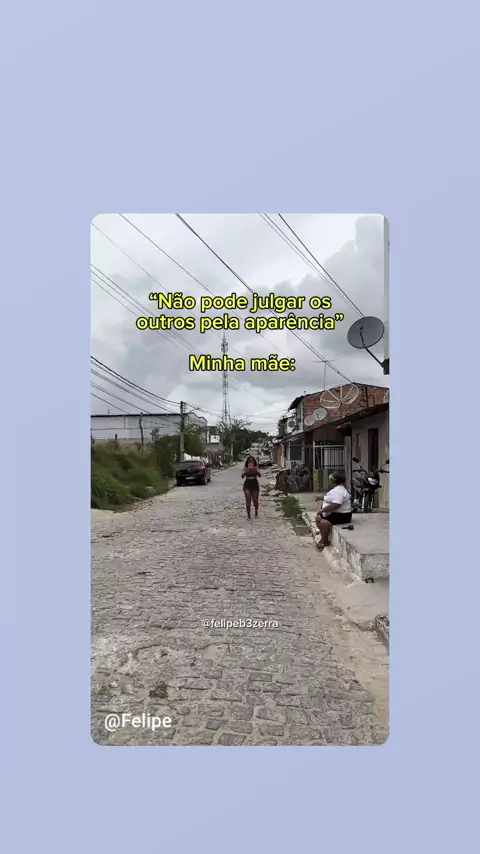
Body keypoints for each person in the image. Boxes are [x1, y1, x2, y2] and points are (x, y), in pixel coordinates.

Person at [315, 470, 352, 550]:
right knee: (318, 518)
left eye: (330, 479)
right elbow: (331, 498)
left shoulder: (339, 491)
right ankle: (323, 535)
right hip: (335, 513)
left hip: (342, 515)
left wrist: (323, 510)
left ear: (333, 481)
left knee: (323, 522)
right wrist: (322, 498)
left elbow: (336, 505)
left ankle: (324, 541)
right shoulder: (336, 489)